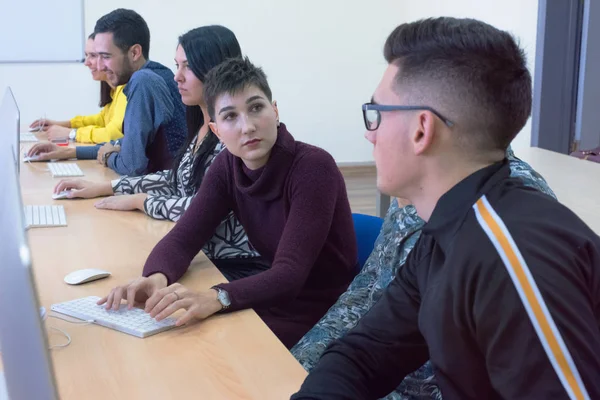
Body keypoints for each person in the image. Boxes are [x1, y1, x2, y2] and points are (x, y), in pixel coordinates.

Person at [292, 17, 600, 399]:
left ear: (422, 129)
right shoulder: (446, 229)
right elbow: (366, 353)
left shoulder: (510, 256)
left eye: (376, 113)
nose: (369, 133)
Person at [99, 57, 358, 349]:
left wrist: (217, 296)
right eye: (230, 116)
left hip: (322, 307)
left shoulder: (313, 166)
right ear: (216, 129)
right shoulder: (228, 164)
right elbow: (185, 237)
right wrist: (156, 276)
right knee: (177, 335)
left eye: (256, 108)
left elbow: (290, 274)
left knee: (203, 347)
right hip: (269, 294)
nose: (247, 126)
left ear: (275, 110)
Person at [53, 26, 263, 267]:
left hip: (233, 265)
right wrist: (106, 187)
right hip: (202, 255)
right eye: (177, 65)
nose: (178, 77)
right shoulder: (203, 124)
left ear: (216, 69)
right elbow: (174, 179)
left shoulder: (237, 134)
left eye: (188, 66)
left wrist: (139, 201)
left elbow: (203, 207)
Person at [27, 8, 186, 176]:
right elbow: (129, 144)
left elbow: (131, 166)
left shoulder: (143, 82)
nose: (100, 66)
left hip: (163, 191)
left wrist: (108, 155)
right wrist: (69, 152)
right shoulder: (160, 73)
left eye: (106, 56)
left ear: (134, 53)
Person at [29, 34, 127, 144]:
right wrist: (61, 124)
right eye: (87, 55)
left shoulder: (124, 90)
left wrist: (72, 133)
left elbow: (113, 134)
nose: (86, 63)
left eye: (93, 56)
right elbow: (102, 119)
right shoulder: (114, 91)